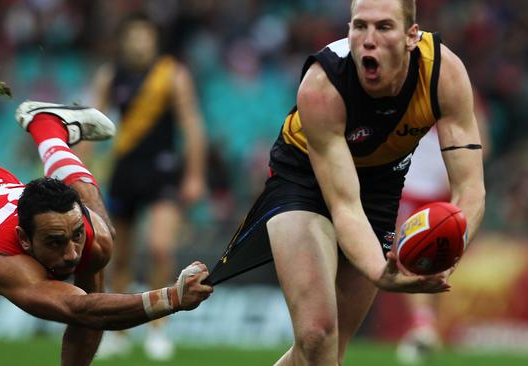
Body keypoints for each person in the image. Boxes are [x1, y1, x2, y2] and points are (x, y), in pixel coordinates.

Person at [205, 0, 486, 365]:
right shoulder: (322, 85)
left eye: (384, 27)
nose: (367, 40)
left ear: (411, 36)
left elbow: (471, 188)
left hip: (380, 184)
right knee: (317, 332)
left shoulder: (443, 74)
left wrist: (452, 249)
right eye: (359, 26)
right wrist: (380, 274)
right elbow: (344, 206)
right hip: (302, 177)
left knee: (326, 354)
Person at [0, 100, 213, 366]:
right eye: (55, 243)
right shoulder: (1, 262)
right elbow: (80, 309)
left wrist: (75, 234)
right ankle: (46, 127)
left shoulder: (90, 234)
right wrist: (170, 298)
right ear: (24, 239)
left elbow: (89, 313)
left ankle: (47, 125)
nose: (71, 253)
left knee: (102, 238)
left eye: (75, 235)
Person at [82, 13, 207, 360]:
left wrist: (194, 176)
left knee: (159, 248)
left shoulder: (173, 75)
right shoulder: (111, 74)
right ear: (124, 41)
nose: (138, 43)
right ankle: (118, 330)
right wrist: (80, 168)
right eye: (132, 36)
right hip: (125, 170)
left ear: (154, 41)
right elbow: (90, 124)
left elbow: (192, 125)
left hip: (163, 170)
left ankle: (159, 328)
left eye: (144, 37)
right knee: (117, 256)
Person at [396, 92, 490, 364]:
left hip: (444, 192)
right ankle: (423, 326)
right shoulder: (413, 91)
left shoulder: (458, 95)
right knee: (411, 257)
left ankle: (425, 326)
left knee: (431, 260)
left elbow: (485, 144)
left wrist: (460, 174)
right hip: (410, 191)